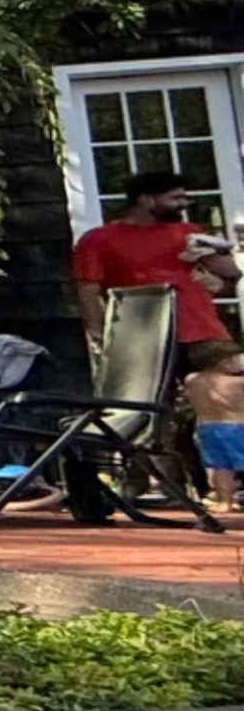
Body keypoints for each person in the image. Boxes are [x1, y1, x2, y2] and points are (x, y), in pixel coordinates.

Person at [71, 169, 238, 355]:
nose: (183, 204)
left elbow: (232, 273)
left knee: (229, 380)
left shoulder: (188, 232)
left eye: (185, 198)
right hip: (141, 339)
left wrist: (213, 251)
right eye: (175, 198)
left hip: (203, 331)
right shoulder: (98, 239)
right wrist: (100, 335)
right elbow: (88, 292)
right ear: (146, 200)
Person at [177, 337, 244, 511]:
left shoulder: (192, 379)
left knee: (221, 468)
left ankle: (225, 502)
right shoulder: (237, 383)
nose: (239, 362)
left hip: (207, 429)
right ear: (221, 362)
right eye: (235, 359)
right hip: (236, 428)